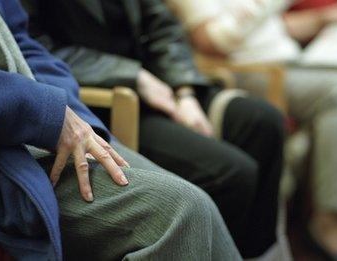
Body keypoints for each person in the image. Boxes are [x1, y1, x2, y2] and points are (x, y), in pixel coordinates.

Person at [21, 0, 285, 258]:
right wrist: (134, 76)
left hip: (161, 81)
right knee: (231, 173)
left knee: (263, 121)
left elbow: (163, 27)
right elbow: (35, 49)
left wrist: (184, 92)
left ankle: (255, 253)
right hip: (109, 96)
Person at [166, 0, 337, 259]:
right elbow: (215, 41)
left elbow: (272, 28)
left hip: (287, 61)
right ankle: (330, 221)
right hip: (245, 69)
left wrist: (323, 19)